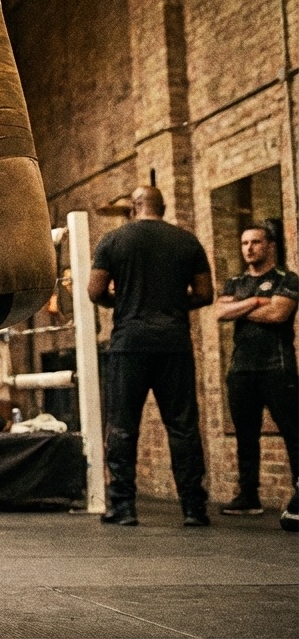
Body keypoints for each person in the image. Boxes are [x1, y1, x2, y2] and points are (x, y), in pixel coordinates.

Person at [87, 186, 214, 527]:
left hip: (130, 342)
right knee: (183, 426)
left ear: (134, 206)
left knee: (123, 426)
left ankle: (124, 507)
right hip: (174, 343)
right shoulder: (187, 242)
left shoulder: (113, 241)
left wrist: (125, 302)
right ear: (163, 205)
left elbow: (95, 291)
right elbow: (205, 294)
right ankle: (193, 508)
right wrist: (171, 304)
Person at [215, 223, 299, 516]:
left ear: (270, 245)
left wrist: (240, 307)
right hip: (241, 370)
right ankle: (248, 495)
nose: (249, 248)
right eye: (244, 243)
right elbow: (220, 312)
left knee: (294, 431)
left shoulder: (286, 279)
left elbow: (278, 313)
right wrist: (255, 300)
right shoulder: (235, 281)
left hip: (277, 367)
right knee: (245, 435)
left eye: (255, 242)